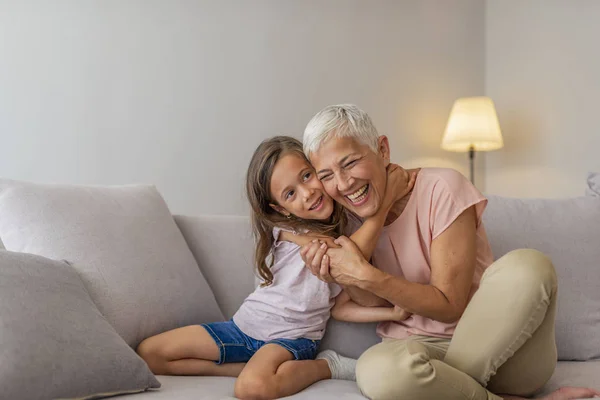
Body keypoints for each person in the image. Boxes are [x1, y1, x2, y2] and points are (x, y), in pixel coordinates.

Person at [299, 104, 600, 400]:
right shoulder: (346, 217)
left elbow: (449, 304)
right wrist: (352, 264)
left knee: (530, 266)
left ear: (383, 150)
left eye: (349, 163)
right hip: (420, 354)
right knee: (376, 371)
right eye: (326, 175)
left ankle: (453, 390)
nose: (342, 183)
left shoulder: (442, 186)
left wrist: (366, 274)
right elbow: (372, 299)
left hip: (505, 352)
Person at [136, 136, 416, 400]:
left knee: (251, 388)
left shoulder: (347, 240)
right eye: (290, 193)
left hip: (291, 341)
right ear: (280, 208)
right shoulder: (283, 229)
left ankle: (326, 366)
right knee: (151, 353)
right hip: (242, 328)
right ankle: (246, 367)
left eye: (307, 175)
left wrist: (391, 311)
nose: (307, 193)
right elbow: (283, 230)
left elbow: (341, 305)